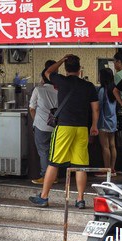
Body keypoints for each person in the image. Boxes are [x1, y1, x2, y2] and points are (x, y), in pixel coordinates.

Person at [29, 55, 98, 209]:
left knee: (53, 163)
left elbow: (47, 72)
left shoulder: (61, 80)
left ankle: (44, 196)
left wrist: (61, 60)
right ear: (80, 69)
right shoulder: (88, 86)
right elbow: (95, 108)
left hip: (64, 127)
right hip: (81, 129)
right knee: (80, 165)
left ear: (66, 69)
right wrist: (94, 125)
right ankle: (80, 199)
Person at [29, 60, 58, 185]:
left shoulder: (38, 90)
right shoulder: (59, 90)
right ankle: (54, 177)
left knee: (43, 152)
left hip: (41, 125)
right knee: (54, 152)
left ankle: (45, 176)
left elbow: (32, 108)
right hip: (56, 125)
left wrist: (36, 120)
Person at [96, 68, 118, 176]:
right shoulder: (113, 90)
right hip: (113, 121)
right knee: (112, 145)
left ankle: (106, 169)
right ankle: (112, 169)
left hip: (103, 121)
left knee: (105, 146)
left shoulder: (102, 91)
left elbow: (98, 107)